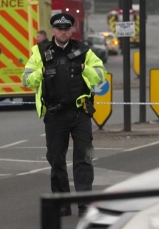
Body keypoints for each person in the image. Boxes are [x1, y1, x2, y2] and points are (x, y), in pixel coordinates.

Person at [21, 13, 106, 217]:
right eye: (59, 29)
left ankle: (84, 203)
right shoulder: (40, 51)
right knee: (56, 159)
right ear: (53, 31)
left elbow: (100, 76)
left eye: (67, 28)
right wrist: (42, 72)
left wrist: (85, 69)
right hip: (54, 112)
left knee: (84, 158)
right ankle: (62, 202)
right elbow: (26, 80)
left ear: (71, 30)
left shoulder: (83, 50)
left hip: (80, 112)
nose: (63, 32)